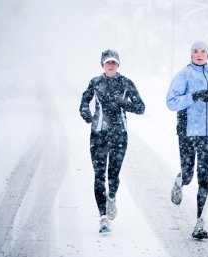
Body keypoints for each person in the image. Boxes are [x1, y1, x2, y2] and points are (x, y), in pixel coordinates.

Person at [166, 41, 208, 239]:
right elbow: (171, 102)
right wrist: (194, 96)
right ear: (191, 54)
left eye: (203, 51)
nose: (199, 54)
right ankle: (179, 181)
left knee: (204, 178)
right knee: (188, 175)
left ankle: (200, 223)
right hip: (187, 132)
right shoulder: (183, 75)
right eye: (195, 51)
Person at [79, 49, 145, 233]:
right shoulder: (95, 82)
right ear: (102, 64)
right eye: (107, 62)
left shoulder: (126, 82)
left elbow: (141, 108)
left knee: (113, 175)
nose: (110, 65)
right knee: (99, 176)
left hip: (119, 135)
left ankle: (112, 197)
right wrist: (87, 114)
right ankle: (103, 218)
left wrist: (123, 103)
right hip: (99, 134)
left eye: (114, 62)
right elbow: (84, 102)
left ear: (118, 65)